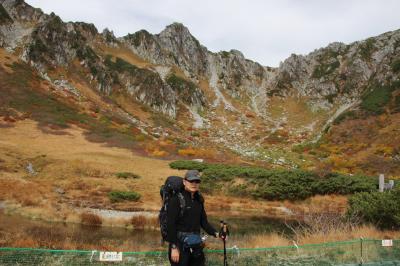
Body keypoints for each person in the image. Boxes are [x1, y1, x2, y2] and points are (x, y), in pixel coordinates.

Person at [167, 170, 219, 266]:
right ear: (184, 182)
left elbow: (204, 222)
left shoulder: (199, 200)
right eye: (191, 181)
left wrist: (216, 233)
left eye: (197, 181)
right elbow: (170, 225)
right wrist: (173, 248)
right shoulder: (176, 200)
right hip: (179, 246)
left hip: (196, 244)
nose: (194, 184)